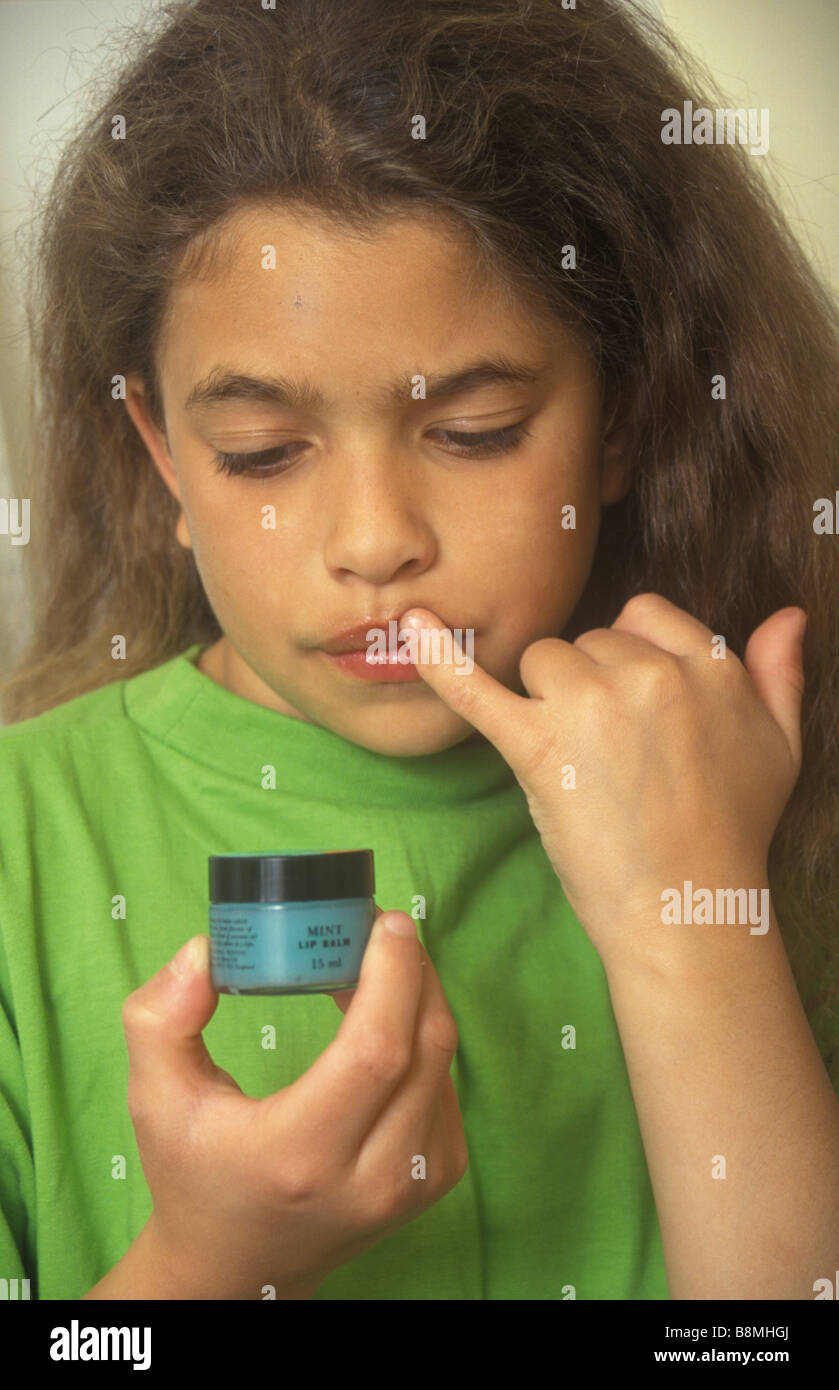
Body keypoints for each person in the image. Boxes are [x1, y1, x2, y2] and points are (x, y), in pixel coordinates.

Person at [1, 0, 837, 1302]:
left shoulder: (763, 790)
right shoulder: (22, 836)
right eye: (264, 452)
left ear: (618, 416)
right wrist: (204, 1263)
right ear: (161, 452)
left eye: (478, 429)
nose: (375, 542)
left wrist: (699, 928)